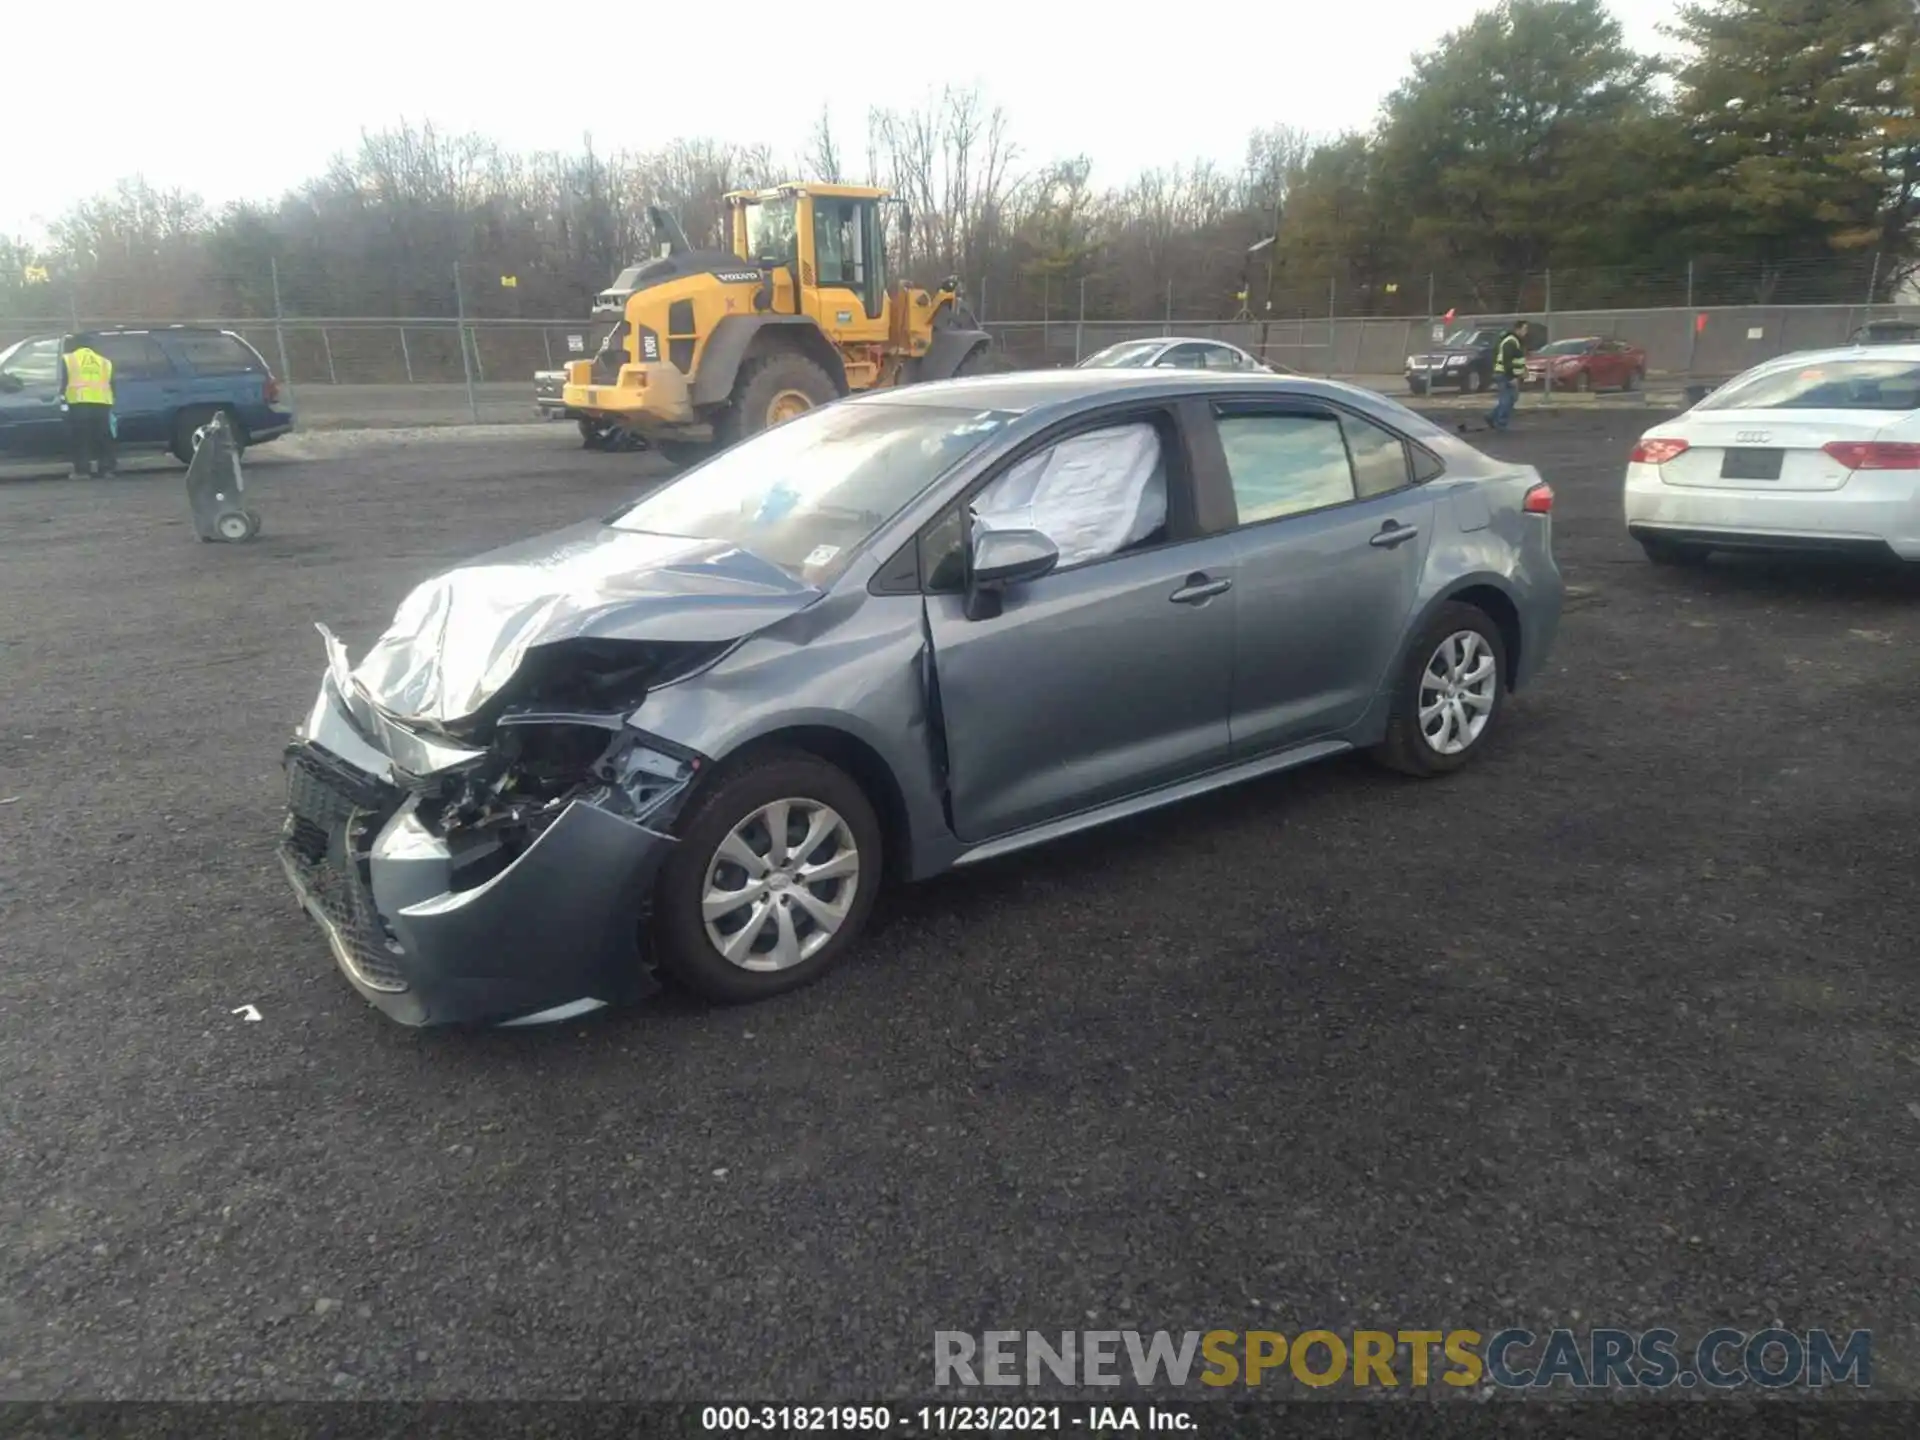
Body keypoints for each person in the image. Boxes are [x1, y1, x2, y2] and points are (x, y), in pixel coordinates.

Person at [56, 333, 117, 477]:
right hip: (102, 404)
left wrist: (62, 400)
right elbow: (112, 384)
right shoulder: (104, 361)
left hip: (79, 403)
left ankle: (82, 471)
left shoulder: (69, 359)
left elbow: (63, 382)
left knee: (81, 438)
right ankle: (106, 469)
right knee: (103, 438)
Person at [1487, 319, 1529, 431]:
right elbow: (1507, 361)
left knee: (1512, 398)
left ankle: (1491, 417)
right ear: (1518, 329)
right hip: (1505, 375)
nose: (1526, 331)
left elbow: (1517, 359)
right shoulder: (1510, 342)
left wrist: (1524, 370)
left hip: (1508, 374)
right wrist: (1512, 377)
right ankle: (1501, 423)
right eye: (1524, 329)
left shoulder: (1516, 341)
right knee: (1507, 399)